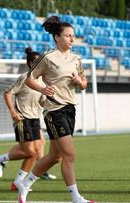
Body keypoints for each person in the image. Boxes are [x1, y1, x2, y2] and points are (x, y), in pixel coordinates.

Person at [17, 16, 96, 203]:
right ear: (57, 38)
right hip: (54, 111)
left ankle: (25, 183)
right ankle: (76, 198)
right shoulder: (47, 57)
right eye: (68, 36)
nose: (72, 39)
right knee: (69, 154)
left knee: (55, 156)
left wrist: (79, 82)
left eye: (73, 36)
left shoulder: (77, 59)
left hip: (70, 109)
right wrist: (43, 89)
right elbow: (30, 78)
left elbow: (84, 84)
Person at [0, 47, 56, 192]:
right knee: (30, 151)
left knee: (35, 150)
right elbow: (7, 93)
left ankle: (17, 181)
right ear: (31, 64)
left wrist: (52, 101)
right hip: (22, 118)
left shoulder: (43, 81)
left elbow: (42, 102)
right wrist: (12, 111)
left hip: (35, 119)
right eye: (38, 62)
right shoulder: (25, 78)